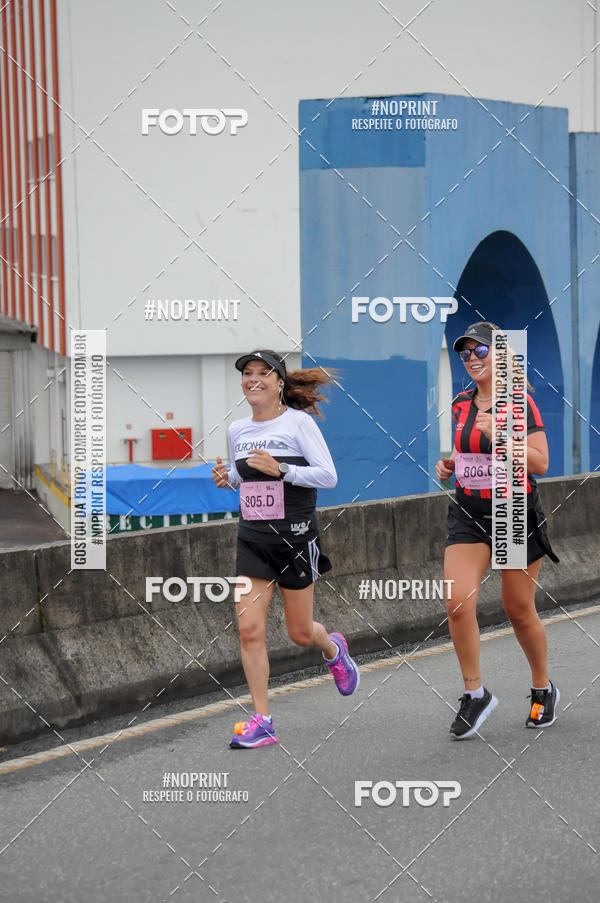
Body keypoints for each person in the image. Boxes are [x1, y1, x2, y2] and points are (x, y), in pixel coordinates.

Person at [212, 349, 360, 748]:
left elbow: (328, 476)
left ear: (279, 382)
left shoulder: (299, 423)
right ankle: (263, 720)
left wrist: (282, 469)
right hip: (253, 540)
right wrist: (227, 479)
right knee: (249, 629)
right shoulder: (237, 430)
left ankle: (332, 648)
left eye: (263, 373)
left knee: (299, 633)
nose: (253, 379)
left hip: (294, 538)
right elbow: (246, 483)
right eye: (247, 373)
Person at [435, 322, 560, 740]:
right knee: (456, 602)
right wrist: (450, 464)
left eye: (480, 351)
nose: (471, 359)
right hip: (469, 511)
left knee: (518, 609)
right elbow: (465, 449)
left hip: (513, 509)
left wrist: (504, 437)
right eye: (464, 353)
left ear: (500, 356)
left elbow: (541, 462)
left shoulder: (519, 403)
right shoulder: (460, 404)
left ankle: (542, 688)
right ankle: (475, 694)